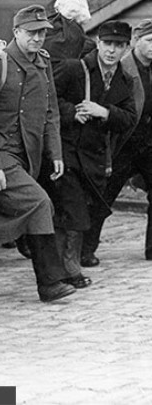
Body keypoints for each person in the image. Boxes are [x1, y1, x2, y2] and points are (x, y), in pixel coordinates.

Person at [0, 4, 75, 303]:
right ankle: (50, 283)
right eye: (32, 32)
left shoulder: (43, 63)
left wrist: (54, 151)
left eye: (43, 32)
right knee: (39, 203)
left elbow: (50, 111)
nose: (38, 38)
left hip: (26, 155)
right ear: (16, 32)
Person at [50, 21, 137, 284]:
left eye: (118, 45)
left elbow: (129, 118)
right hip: (67, 151)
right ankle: (68, 270)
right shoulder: (74, 68)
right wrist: (72, 112)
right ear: (98, 43)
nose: (112, 50)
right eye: (107, 43)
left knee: (87, 211)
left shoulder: (125, 80)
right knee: (73, 211)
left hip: (96, 157)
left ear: (126, 48)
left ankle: (61, 267)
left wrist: (105, 112)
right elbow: (49, 98)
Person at [81, 19, 151, 265]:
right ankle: (86, 249)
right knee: (104, 196)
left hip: (148, 145)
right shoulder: (121, 67)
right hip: (120, 144)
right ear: (135, 43)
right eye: (150, 40)